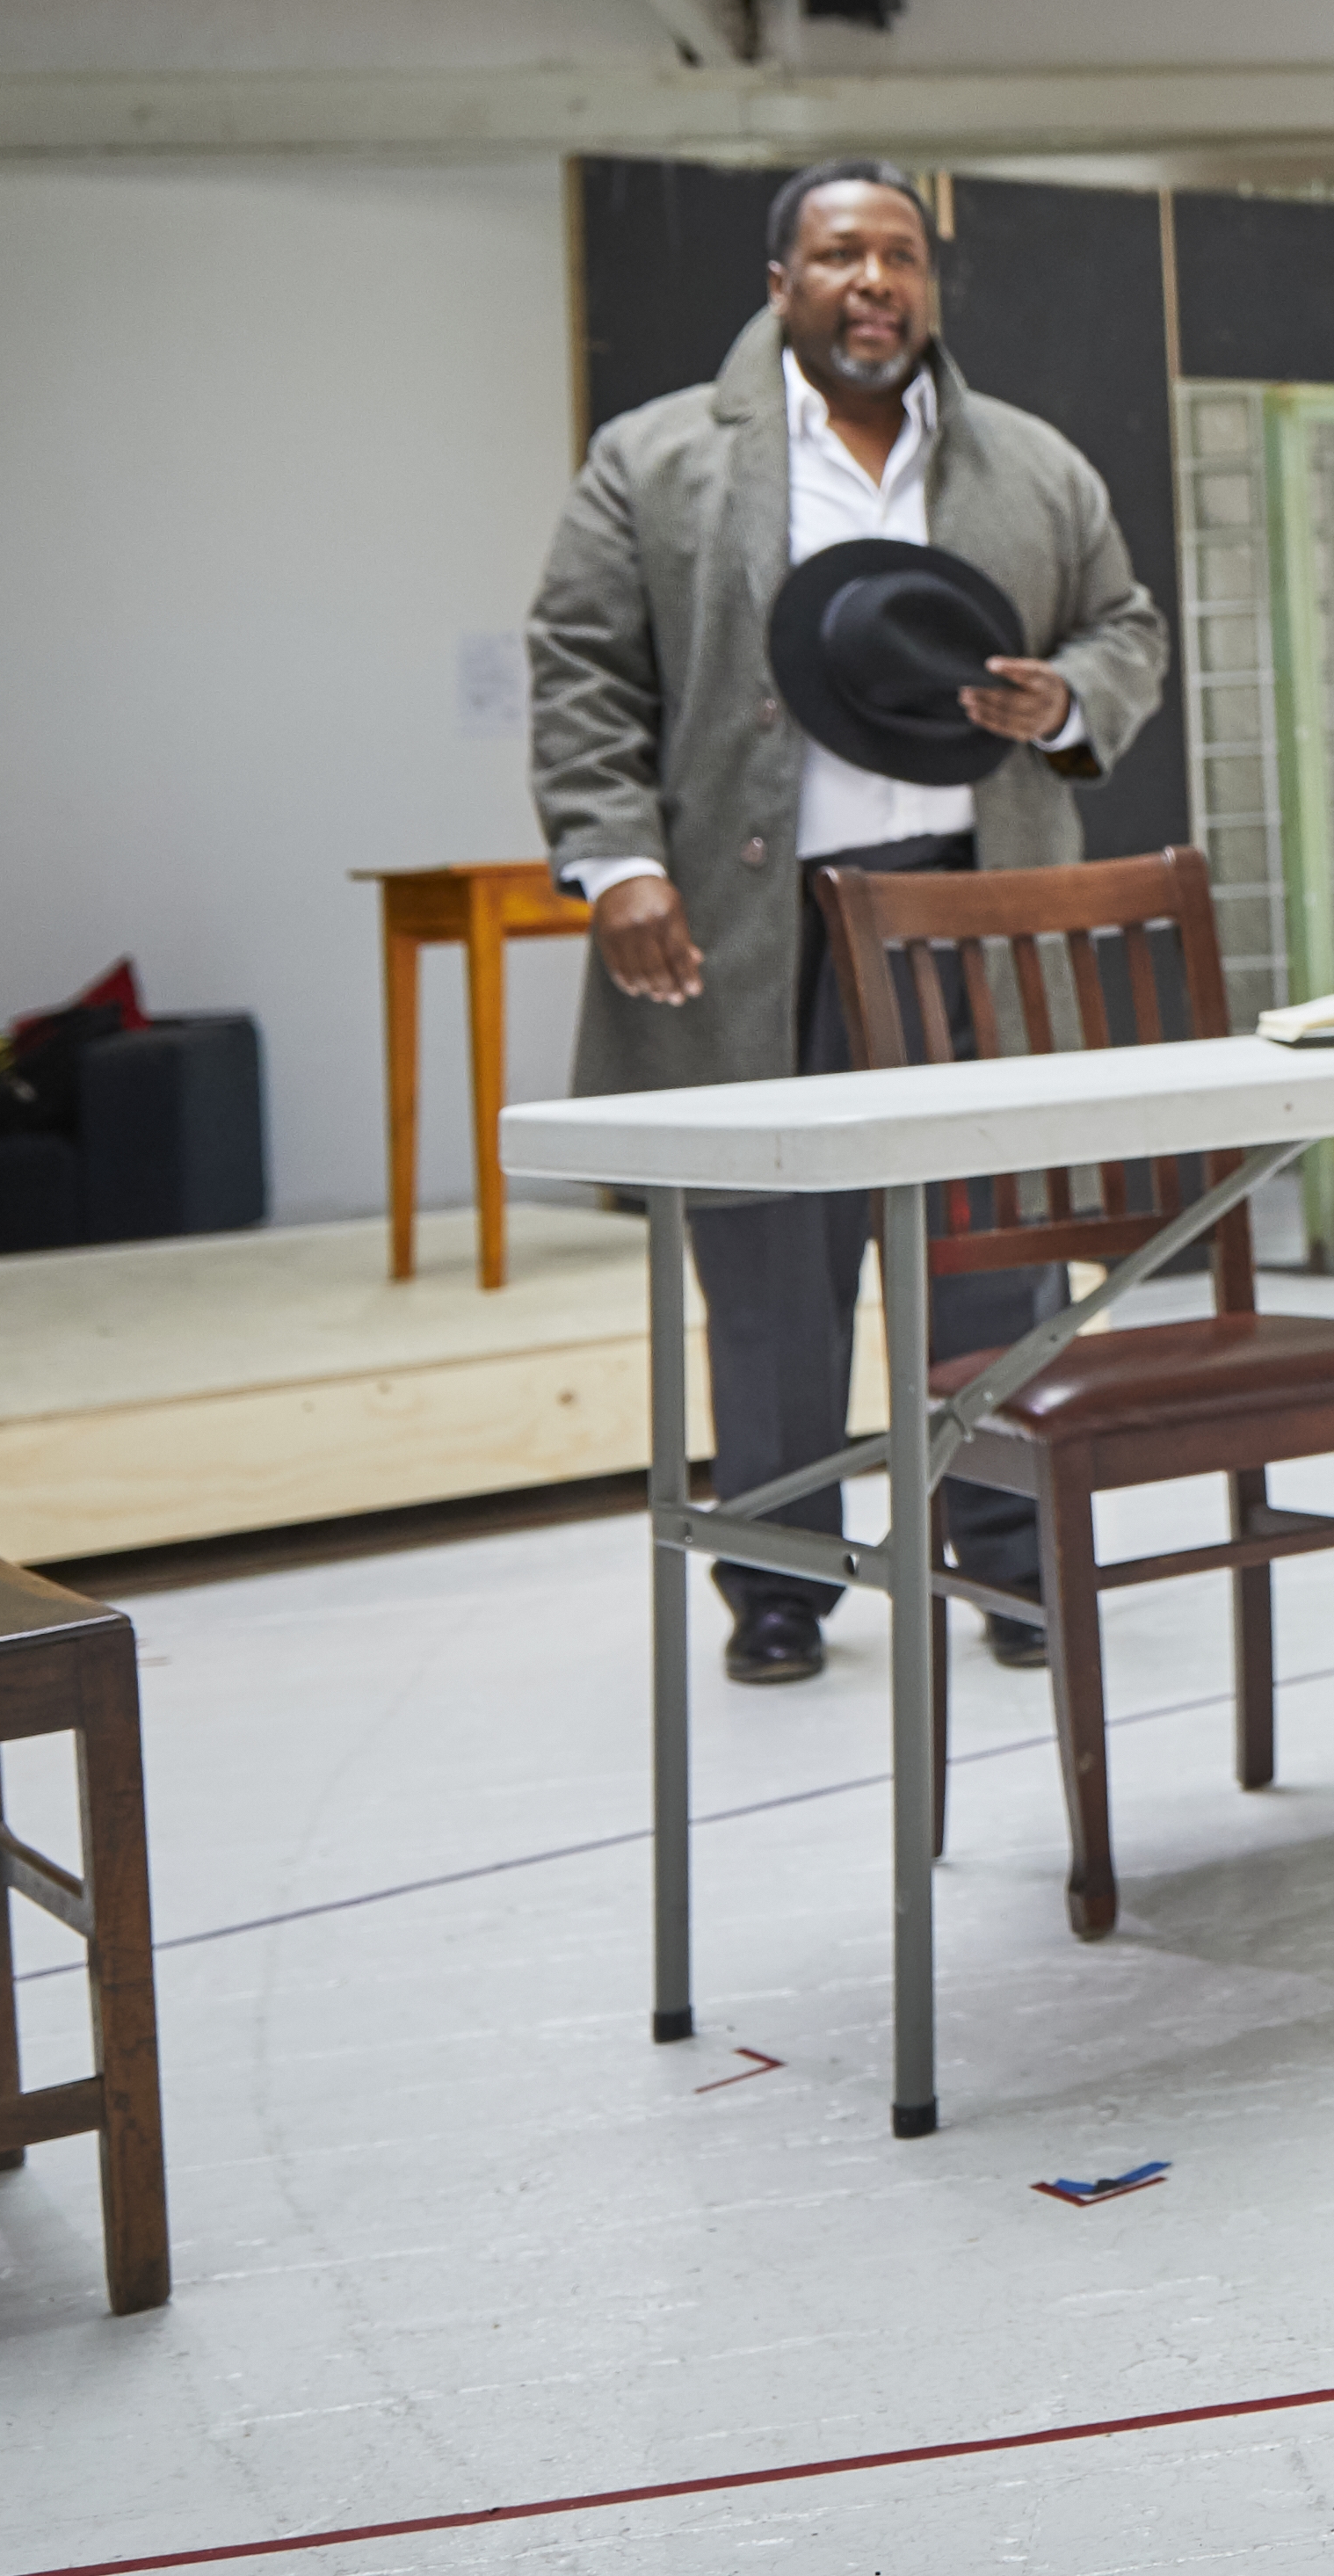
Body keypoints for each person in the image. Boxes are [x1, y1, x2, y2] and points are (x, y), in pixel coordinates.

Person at [526, 163, 1171, 1690]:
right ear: (779, 282)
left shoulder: (1031, 464)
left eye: (899, 254)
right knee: (766, 1280)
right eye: (838, 255)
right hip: (759, 927)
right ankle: (779, 1582)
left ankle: (1009, 1559)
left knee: (996, 1267)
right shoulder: (659, 456)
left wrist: (1070, 696)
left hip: (969, 918)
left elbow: (1123, 623)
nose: (873, 280)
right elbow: (580, 669)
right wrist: (615, 866)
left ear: (929, 283)